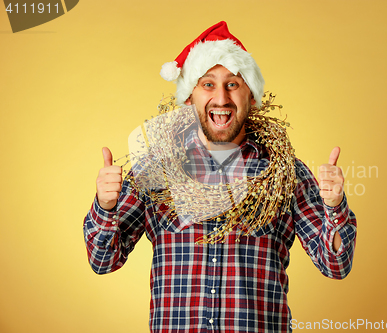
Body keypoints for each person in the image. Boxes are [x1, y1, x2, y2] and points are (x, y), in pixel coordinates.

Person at [84, 21, 357, 333]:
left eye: (233, 84)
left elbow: (336, 265)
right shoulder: (155, 169)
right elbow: (103, 261)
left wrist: (334, 206)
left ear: (251, 97)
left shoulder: (286, 173)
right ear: (189, 98)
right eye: (208, 84)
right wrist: (105, 208)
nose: (221, 98)